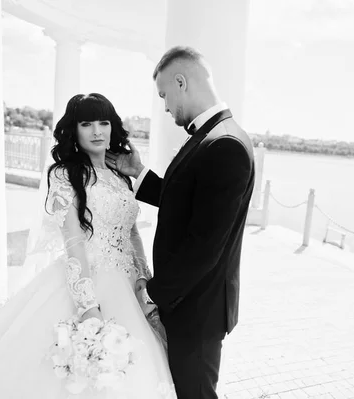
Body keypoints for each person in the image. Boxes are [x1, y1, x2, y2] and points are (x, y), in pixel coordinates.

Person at [0, 93, 176, 399]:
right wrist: (88, 307)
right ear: (75, 130)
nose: (97, 131)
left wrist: (142, 277)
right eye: (86, 123)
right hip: (87, 280)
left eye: (103, 122)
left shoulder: (121, 175)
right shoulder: (64, 175)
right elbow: (74, 242)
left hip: (128, 282)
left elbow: (131, 232)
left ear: (113, 128)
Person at [106, 46, 255, 399]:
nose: (165, 106)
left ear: (181, 81)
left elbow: (204, 246)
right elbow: (185, 204)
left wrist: (153, 293)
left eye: (164, 95)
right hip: (189, 303)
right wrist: (137, 173)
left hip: (197, 310)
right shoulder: (211, 137)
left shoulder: (225, 145)